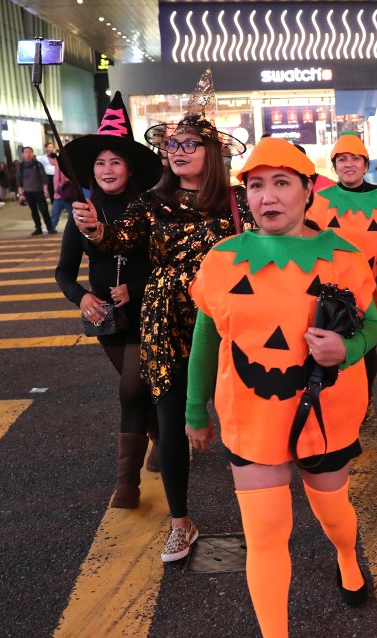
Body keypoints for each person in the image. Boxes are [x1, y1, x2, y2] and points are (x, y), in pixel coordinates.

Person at [186, 138, 377, 638]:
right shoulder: (224, 259)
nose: (267, 196)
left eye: (281, 183)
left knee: (333, 514)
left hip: (325, 411)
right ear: (244, 195)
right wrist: (194, 410)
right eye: (255, 185)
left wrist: (350, 349)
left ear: (306, 191)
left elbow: (371, 324)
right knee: (266, 535)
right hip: (250, 415)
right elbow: (207, 335)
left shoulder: (343, 255)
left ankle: (346, 556)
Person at [73, 70, 252, 562]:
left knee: (244, 422)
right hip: (166, 318)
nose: (177, 150)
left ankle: (263, 512)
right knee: (170, 423)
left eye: (189, 143)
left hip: (229, 317)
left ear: (211, 152)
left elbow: (270, 245)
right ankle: (181, 522)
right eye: (171, 143)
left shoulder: (237, 202)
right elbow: (117, 241)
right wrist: (93, 229)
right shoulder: (151, 202)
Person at [55, 93, 163, 508]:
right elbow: (64, 272)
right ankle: (157, 435)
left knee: (130, 389)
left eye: (115, 161)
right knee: (138, 389)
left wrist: (134, 288)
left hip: (147, 314)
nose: (107, 169)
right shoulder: (83, 212)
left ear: (129, 167)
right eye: (100, 163)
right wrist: (81, 298)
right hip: (106, 320)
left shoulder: (151, 209)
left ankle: (126, 485)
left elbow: (167, 264)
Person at [307, 133, 377, 398]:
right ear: (334, 167)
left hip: (371, 287)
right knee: (329, 343)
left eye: (355, 159)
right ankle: (335, 398)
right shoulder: (320, 201)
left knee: (365, 345)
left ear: (366, 165)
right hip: (329, 289)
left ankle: (364, 398)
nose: (348, 164)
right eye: (341, 160)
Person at [17, 146, 55, 235]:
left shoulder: (38, 164)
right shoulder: (21, 166)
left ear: (32, 153)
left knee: (44, 210)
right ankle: (38, 228)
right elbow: (19, 181)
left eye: (30, 152)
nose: (28, 154)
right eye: (26, 152)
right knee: (33, 211)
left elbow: (44, 178)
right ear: (22, 154)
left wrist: (45, 191)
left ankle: (50, 228)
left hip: (39, 191)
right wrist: (21, 194)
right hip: (28, 192)